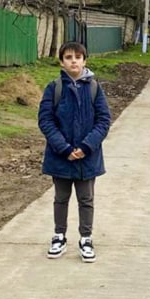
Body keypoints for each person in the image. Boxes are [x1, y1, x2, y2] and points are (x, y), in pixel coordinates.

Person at [37, 41, 112, 263]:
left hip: (88, 158)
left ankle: (86, 238)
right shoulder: (54, 88)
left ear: (84, 61)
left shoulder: (95, 88)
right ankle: (59, 236)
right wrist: (64, 148)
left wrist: (86, 146)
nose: (73, 61)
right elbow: (46, 120)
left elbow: (103, 120)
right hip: (60, 157)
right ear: (61, 62)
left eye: (78, 57)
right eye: (68, 57)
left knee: (86, 199)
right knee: (61, 198)